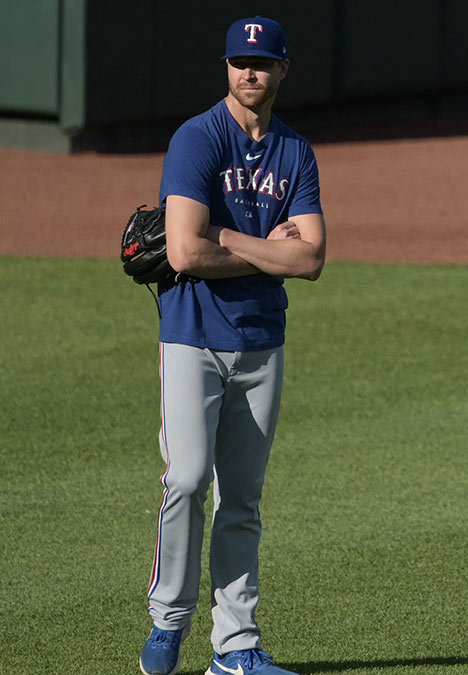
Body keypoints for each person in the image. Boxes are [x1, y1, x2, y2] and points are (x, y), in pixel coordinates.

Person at [138, 16, 325, 675]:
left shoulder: (295, 152)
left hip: (261, 343)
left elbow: (310, 260)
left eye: (263, 62)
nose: (251, 72)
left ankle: (235, 648)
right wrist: (271, 249)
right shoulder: (197, 139)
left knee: (242, 498)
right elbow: (185, 250)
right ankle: (167, 621)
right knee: (186, 479)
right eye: (241, 61)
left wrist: (237, 241)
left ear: (282, 70)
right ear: (227, 66)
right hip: (191, 337)